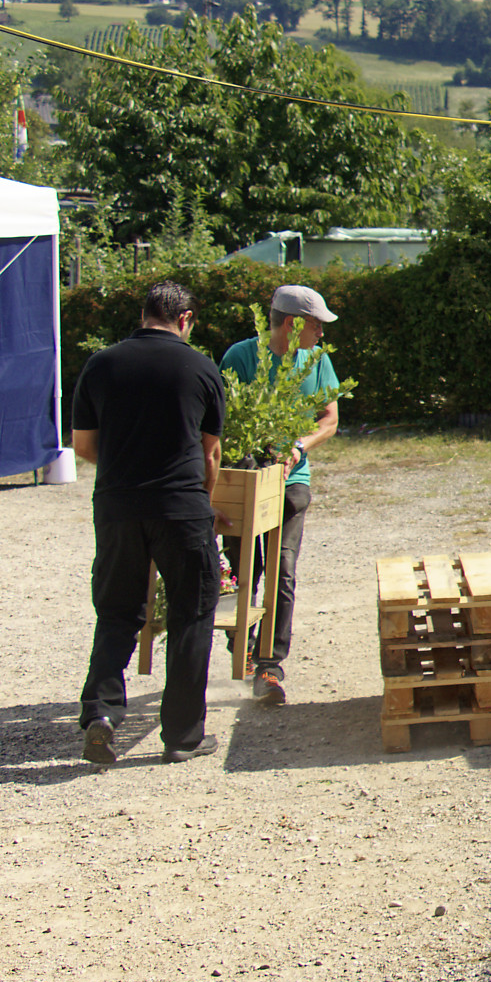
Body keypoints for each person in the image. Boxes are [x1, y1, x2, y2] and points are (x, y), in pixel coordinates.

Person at [72, 280, 226, 764]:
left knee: (116, 611)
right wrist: (202, 501)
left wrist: (127, 468)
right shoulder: (200, 367)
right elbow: (211, 453)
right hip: (181, 507)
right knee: (191, 614)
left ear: (144, 315)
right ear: (185, 319)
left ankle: (101, 713)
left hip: (117, 506)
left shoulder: (100, 364)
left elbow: (83, 445)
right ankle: (182, 736)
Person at [218, 284, 341, 706]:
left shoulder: (318, 360)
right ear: (292, 324)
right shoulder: (240, 358)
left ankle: (269, 665)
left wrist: (298, 446)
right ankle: (243, 648)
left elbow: (329, 420)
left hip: (292, 481)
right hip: (246, 479)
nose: (321, 333)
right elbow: (221, 420)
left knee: (282, 571)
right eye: (317, 325)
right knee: (243, 568)